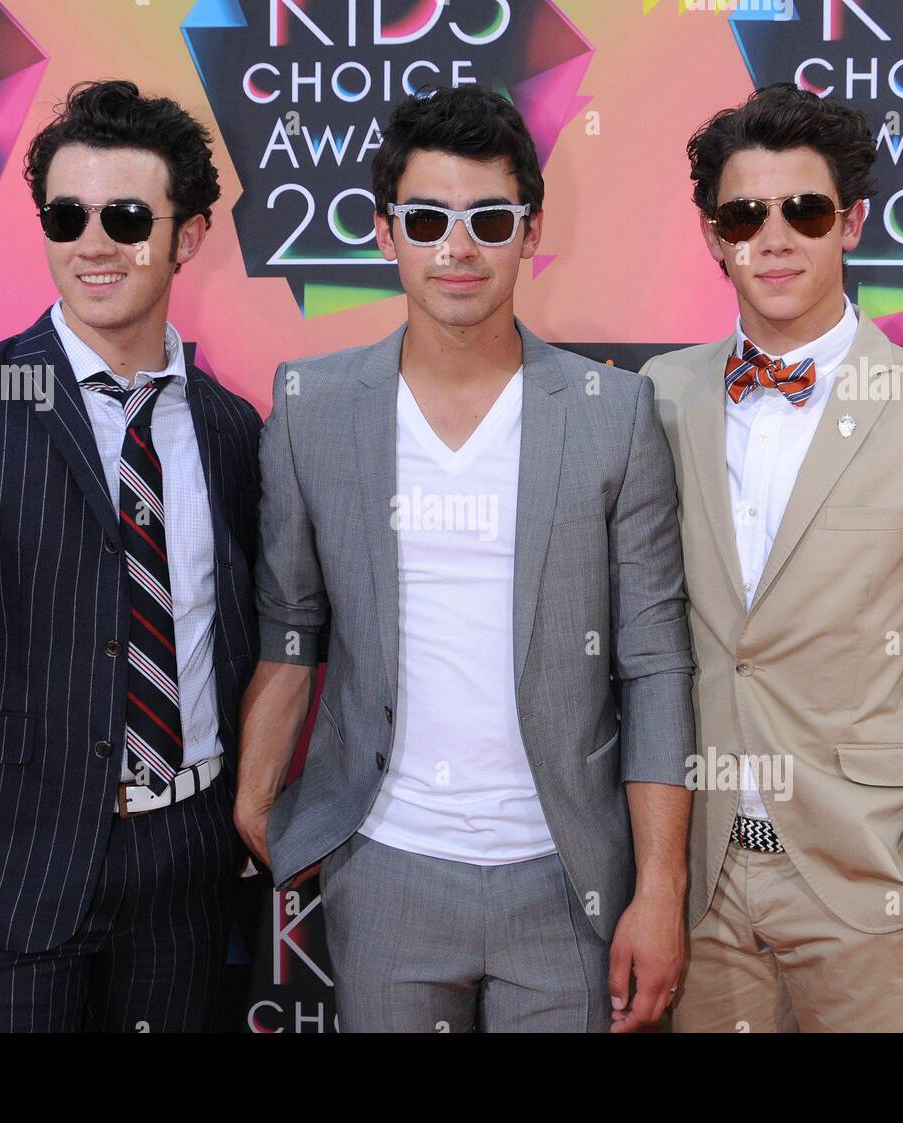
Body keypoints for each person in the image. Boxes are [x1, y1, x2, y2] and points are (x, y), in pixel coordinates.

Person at [235, 85, 696, 1033]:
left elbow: (655, 665)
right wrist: (256, 792)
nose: (459, 247)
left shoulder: (612, 414)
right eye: (428, 219)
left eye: (489, 219)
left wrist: (659, 888)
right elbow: (291, 631)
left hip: (570, 876)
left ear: (530, 234)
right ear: (384, 233)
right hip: (386, 866)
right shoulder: (313, 409)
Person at [0, 80, 261, 1031]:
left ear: (189, 236)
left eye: (124, 215)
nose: (93, 243)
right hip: (1, 869)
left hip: (186, 874)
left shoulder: (234, 430)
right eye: (66, 216)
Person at [640, 83, 903, 1032]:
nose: (774, 237)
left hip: (870, 887)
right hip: (696, 884)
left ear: (851, 222)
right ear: (714, 235)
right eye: (745, 214)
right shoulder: (656, 395)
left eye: (805, 210)